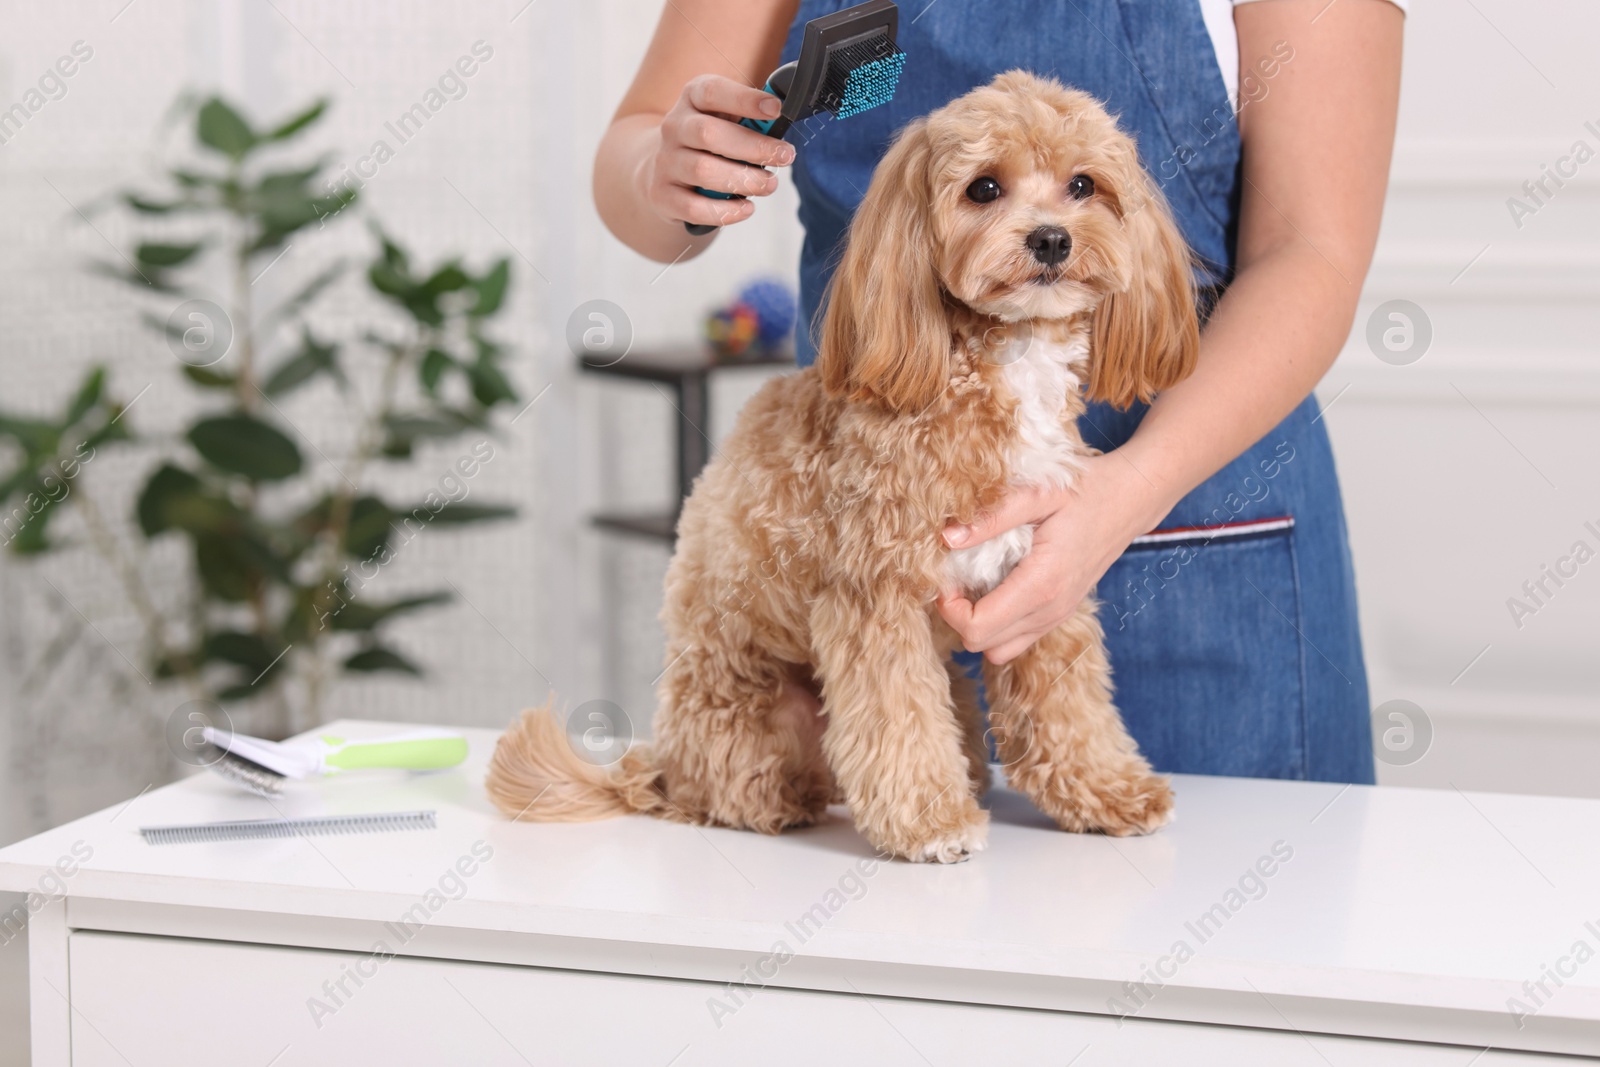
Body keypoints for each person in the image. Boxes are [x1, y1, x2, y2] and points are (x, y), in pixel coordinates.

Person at [594, 0, 1404, 784]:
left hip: (1201, 542)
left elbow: (1311, 249)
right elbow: (637, 154)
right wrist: (662, 173)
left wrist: (1128, 488)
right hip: (875, 550)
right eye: (985, 190)